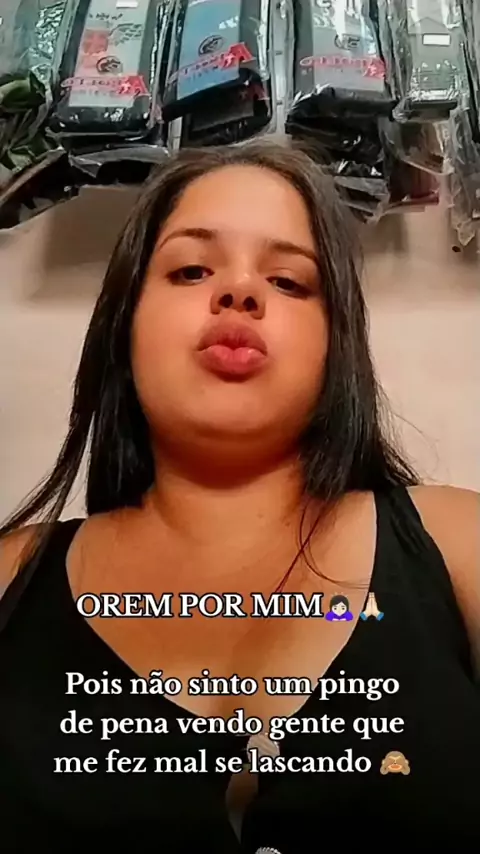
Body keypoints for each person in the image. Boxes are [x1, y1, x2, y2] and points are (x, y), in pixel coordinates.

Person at [0, 139, 478, 852]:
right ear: (125, 323)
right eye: (191, 270)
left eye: (288, 281)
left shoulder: (461, 545)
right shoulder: (11, 578)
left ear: (337, 344)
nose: (240, 292)